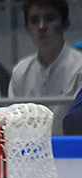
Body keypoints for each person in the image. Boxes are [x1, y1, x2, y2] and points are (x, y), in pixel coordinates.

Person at [9, 0, 82, 135]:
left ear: (66, 25)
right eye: (34, 20)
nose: (41, 26)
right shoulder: (21, 71)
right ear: (27, 28)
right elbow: (13, 124)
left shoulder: (80, 67)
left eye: (50, 18)